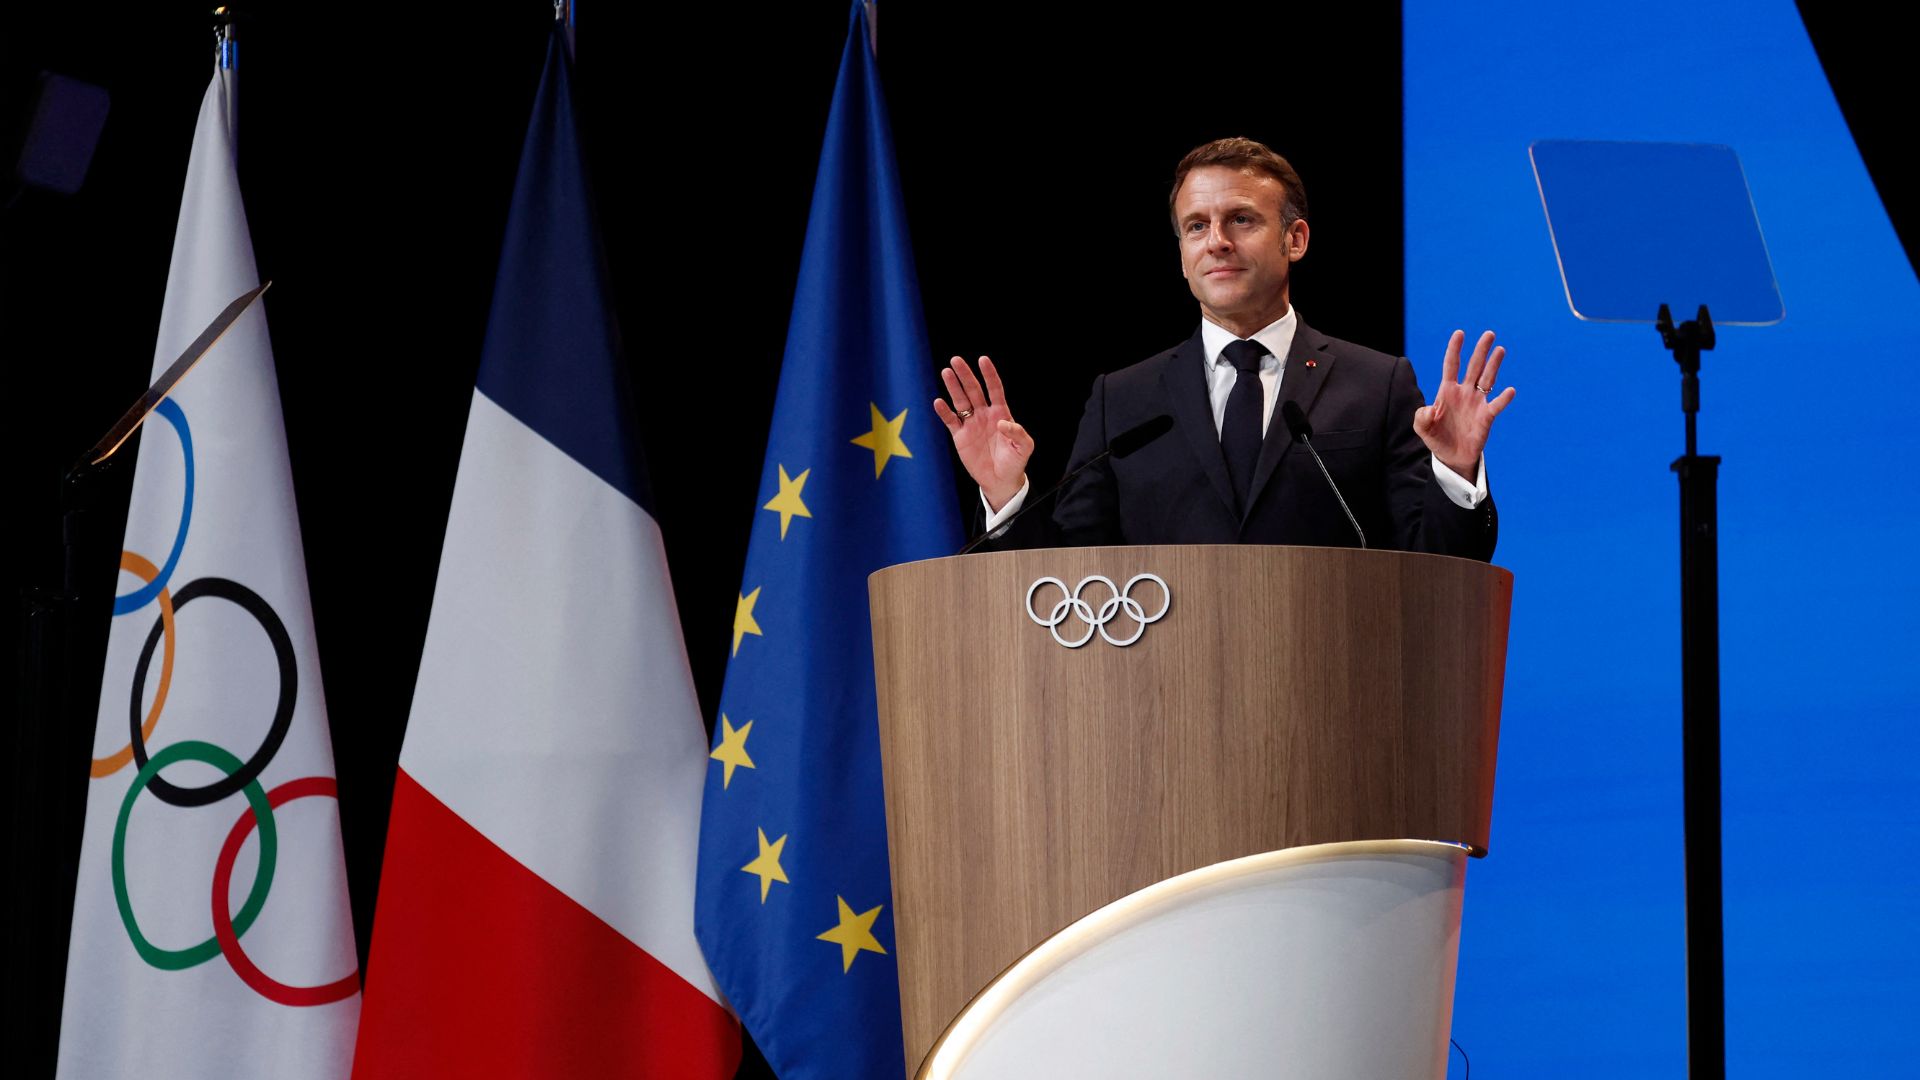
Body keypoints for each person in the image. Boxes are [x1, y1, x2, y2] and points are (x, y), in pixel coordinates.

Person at [934, 137, 1515, 561]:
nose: (1217, 242)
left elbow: (1440, 564)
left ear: (1296, 238)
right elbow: (1065, 580)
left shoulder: (1377, 383)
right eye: (1196, 226)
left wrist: (1455, 471)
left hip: (1337, 694)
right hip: (1160, 703)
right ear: (1181, 255)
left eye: (1240, 219)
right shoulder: (1125, 398)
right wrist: (1006, 493)